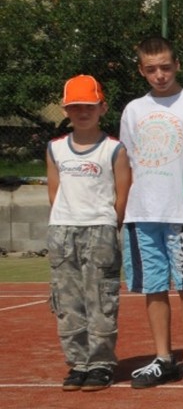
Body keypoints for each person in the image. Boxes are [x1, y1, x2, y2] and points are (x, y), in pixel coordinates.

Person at [121, 36, 183, 390]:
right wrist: (123, 210)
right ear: (141, 71)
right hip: (143, 212)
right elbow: (127, 162)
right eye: (151, 69)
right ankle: (164, 358)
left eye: (165, 67)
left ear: (177, 65)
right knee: (154, 287)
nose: (159, 75)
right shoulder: (133, 110)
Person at [47, 75, 131, 391]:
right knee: (67, 301)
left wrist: (108, 224)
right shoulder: (55, 149)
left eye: (89, 106)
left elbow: (121, 194)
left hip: (100, 230)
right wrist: (65, 221)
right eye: (75, 107)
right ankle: (78, 363)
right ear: (65, 110)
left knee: (101, 299)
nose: (83, 113)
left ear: (102, 108)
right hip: (62, 231)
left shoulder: (113, 149)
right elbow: (54, 192)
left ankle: (100, 363)